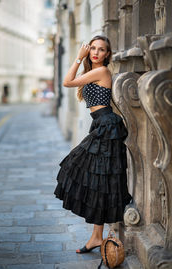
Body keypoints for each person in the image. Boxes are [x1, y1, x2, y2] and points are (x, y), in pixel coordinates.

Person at [54, 35, 132, 254]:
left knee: (83, 170)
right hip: (101, 125)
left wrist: (78, 58)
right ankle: (96, 237)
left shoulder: (101, 71)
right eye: (93, 48)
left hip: (106, 126)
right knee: (97, 179)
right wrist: (82, 60)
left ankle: (98, 236)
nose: (96, 52)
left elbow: (67, 82)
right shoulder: (92, 73)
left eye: (102, 49)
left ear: (108, 54)